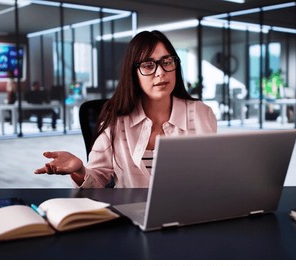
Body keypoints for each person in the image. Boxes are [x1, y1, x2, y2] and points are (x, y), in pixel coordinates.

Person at [34, 30, 217, 188]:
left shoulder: (201, 113)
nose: (160, 72)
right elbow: (98, 181)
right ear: (133, 73)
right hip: (131, 215)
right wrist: (80, 170)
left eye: (167, 61)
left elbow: (211, 174)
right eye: (148, 65)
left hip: (187, 213)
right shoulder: (116, 121)